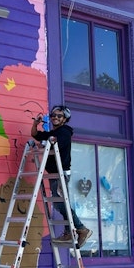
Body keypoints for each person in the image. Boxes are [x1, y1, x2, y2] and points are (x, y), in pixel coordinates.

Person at [30, 105, 92, 247]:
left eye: (59, 116)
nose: (55, 118)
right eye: (53, 115)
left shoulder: (64, 132)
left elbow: (55, 144)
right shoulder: (54, 132)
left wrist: (44, 144)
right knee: (60, 202)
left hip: (60, 173)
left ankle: (81, 229)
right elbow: (35, 134)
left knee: (59, 202)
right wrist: (36, 124)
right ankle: (69, 231)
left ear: (65, 119)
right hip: (54, 173)